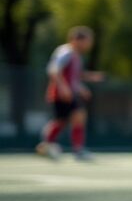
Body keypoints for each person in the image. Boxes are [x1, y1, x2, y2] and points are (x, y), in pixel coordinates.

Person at [37, 26, 103, 161]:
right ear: (77, 40)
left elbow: (74, 77)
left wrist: (82, 87)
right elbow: (53, 69)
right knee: (65, 119)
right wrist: (63, 87)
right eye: (87, 41)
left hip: (69, 94)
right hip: (60, 94)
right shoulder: (65, 52)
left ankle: (49, 145)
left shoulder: (76, 56)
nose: (89, 44)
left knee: (71, 118)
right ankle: (49, 145)